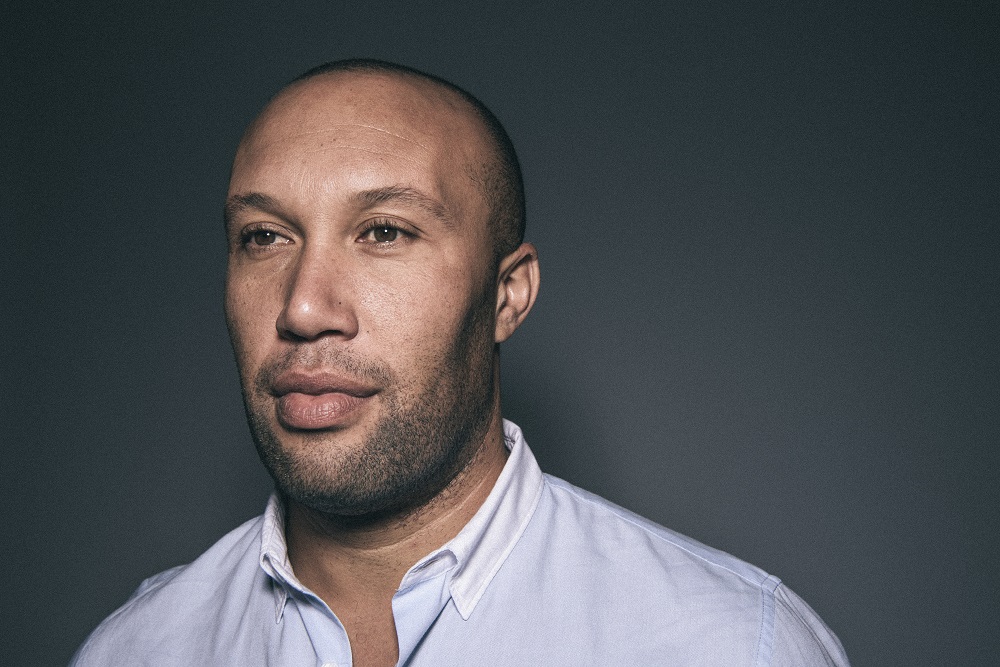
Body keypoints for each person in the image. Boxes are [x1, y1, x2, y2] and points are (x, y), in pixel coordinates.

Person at [72, 59, 850, 666]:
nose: (304, 308)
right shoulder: (133, 650)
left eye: (384, 232)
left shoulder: (734, 645)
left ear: (507, 295)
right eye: (264, 236)